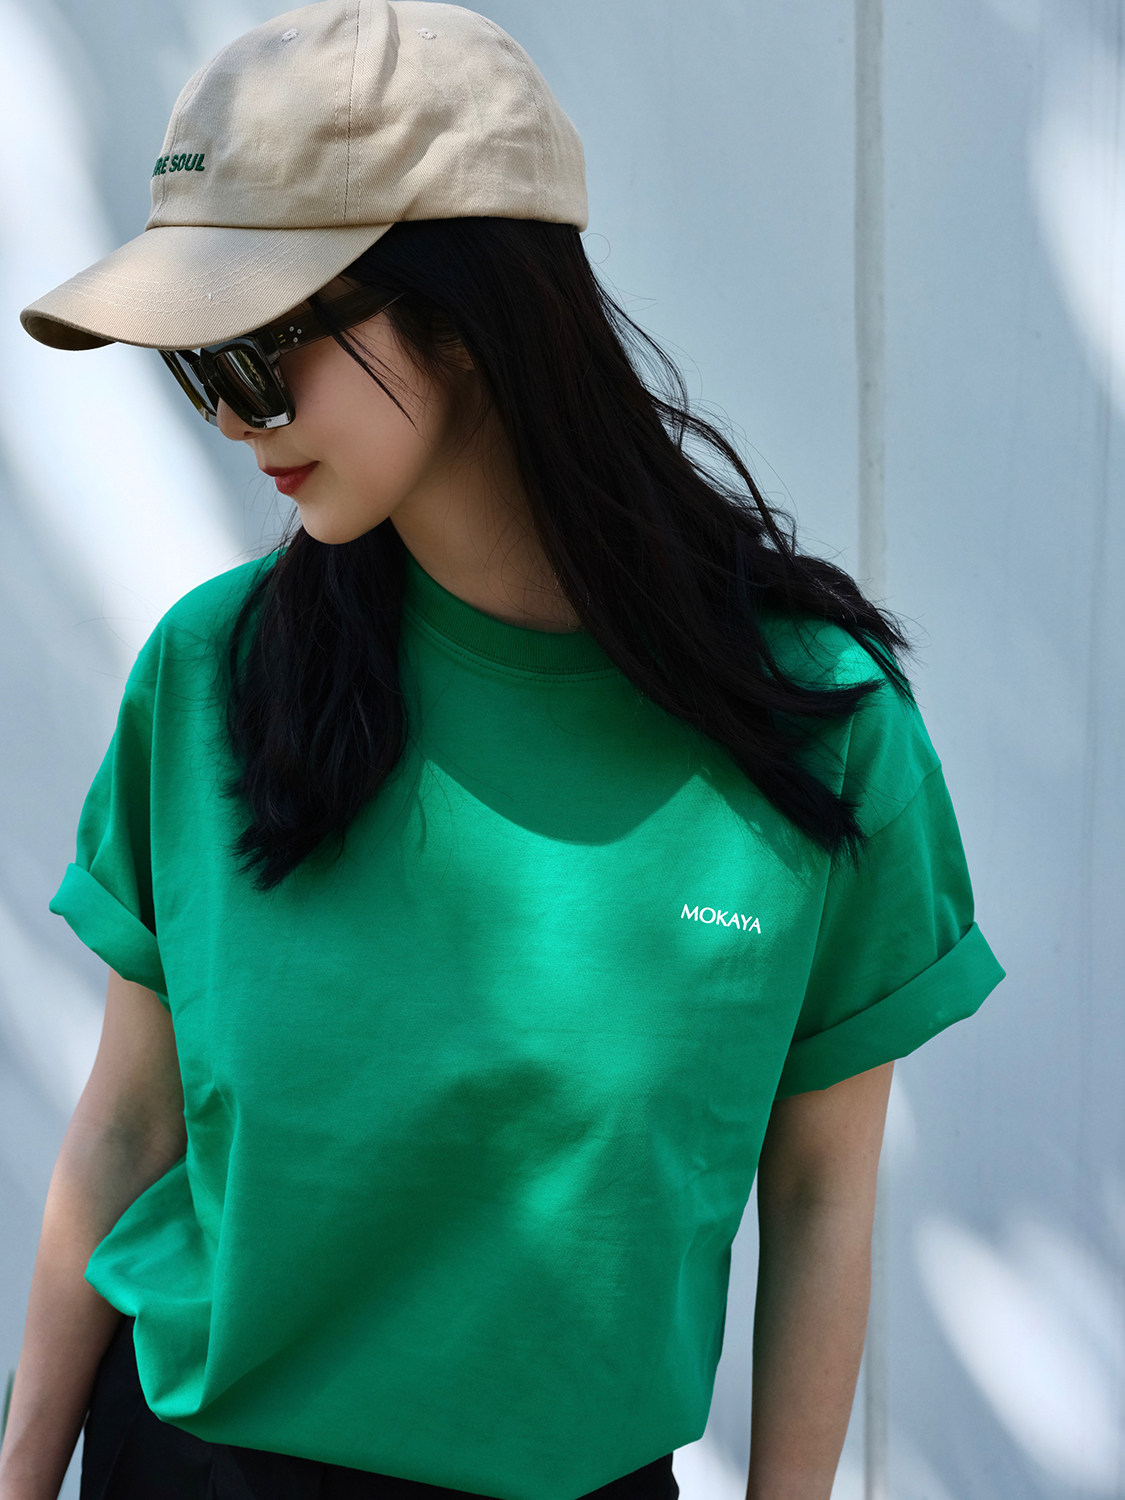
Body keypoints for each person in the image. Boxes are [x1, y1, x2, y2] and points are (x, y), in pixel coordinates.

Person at [0, 3, 1007, 1499]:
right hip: (194, 1469)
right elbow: (127, 1126)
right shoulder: (216, 674)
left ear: (466, 317)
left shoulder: (819, 728)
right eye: (195, 367)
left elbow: (818, 1194)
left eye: (260, 353)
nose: (229, 421)